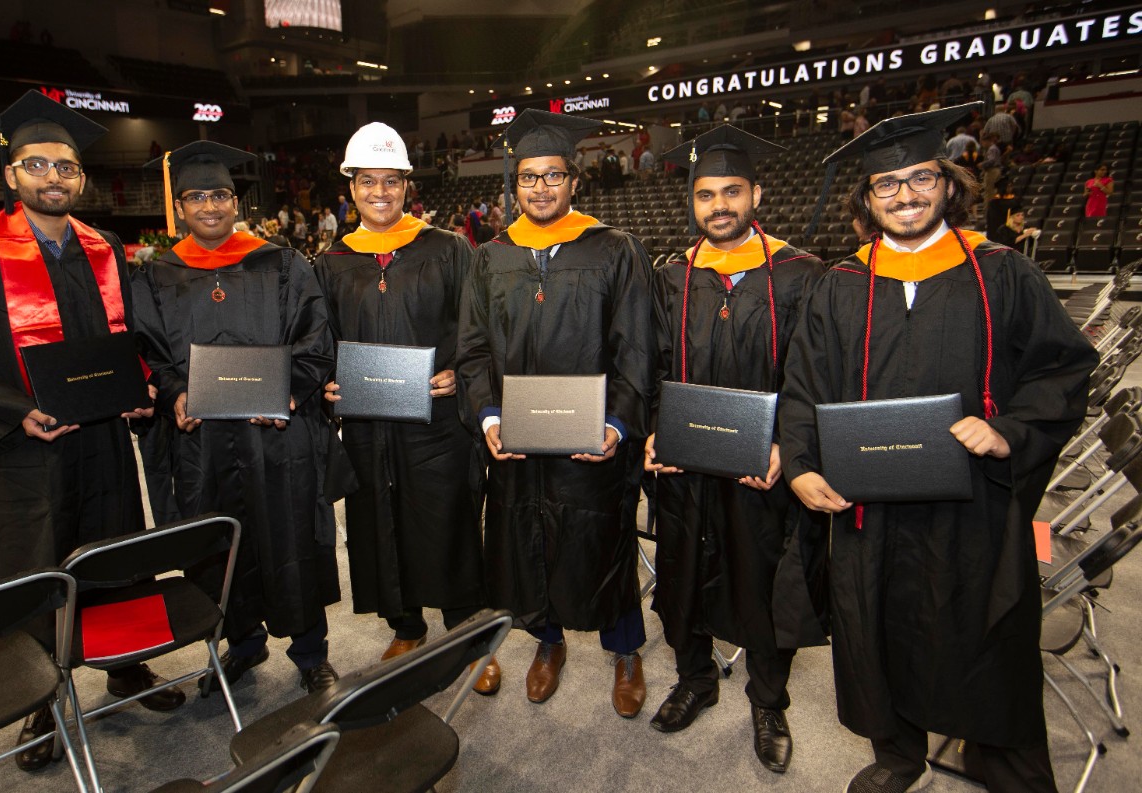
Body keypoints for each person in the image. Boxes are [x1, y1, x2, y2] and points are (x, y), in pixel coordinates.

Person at [779, 103, 1098, 793]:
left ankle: (1003, 759)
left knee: (983, 634)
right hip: (869, 509)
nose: (905, 195)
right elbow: (802, 383)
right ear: (867, 198)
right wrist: (800, 465)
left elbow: (1064, 367)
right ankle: (898, 753)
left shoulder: (1002, 272)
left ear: (948, 182)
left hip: (973, 508)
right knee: (876, 631)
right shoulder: (840, 284)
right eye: (886, 184)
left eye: (920, 177)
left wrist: (1008, 428)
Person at [0, 90, 180, 773]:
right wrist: (11, 409)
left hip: (103, 439)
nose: (54, 177)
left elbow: (130, 337)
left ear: (81, 177)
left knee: (114, 549)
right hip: (28, 448)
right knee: (37, 564)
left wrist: (138, 384)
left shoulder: (105, 246)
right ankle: (41, 694)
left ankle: (124, 665)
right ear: (11, 174)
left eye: (66, 166)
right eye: (38, 165)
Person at [458, 109, 653, 718]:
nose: (540, 188)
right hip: (518, 444)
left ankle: (626, 651)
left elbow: (638, 349)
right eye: (528, 178)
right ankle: (548, 643)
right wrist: (488, 418)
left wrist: (617, 425)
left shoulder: (615, 250)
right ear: (512, 186)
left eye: (553, 176)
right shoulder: (490, 257)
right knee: (528, 542)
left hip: (591, 442)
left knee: (604, 541)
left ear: (574, 180)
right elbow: (472, 352)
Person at [647, 126, 826, 772]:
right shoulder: (672, 277)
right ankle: (695, 676)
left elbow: (815, 374)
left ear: (757, 193)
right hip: (687, 466)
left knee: (763, 578)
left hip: (763, 468)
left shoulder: (802, 275)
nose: (719, 205)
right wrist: (651, 429)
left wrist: (790, 442)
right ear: (691, 203)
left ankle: (768, 697)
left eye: (731, 191)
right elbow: (651, 365)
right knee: (683, 572)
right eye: (706, 195)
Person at [134, 141, 341, 696]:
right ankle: (242, 645)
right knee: (218, 543)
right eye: (196, 197)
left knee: (290, 534)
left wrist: (291, 393)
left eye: (220, 195)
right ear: (179, 207)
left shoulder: (283, 263)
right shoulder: (157, 275)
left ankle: (310, 652)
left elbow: (317, 340)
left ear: (236, 202)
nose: (209, 206)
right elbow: (149, 352)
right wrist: (174, 391)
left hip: (275, 435)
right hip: (202, 442)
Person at [315, 123, 493, 690]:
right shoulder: (332, 260)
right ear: (352, 188)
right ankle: (407, 625)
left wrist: (457, 379)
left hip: (438, 421)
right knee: (378, 521)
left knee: (447, 519)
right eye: (368, 182)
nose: (380, 193)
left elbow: (475, 331)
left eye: (391, 181)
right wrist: (326, 385)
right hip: (368, 423)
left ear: (407, 185)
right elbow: (321, 339)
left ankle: (467, 633)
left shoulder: (447, 249)